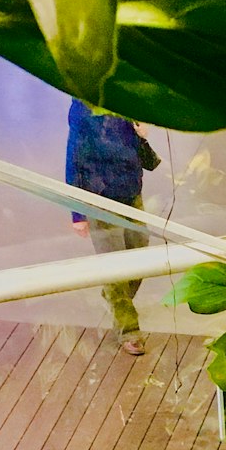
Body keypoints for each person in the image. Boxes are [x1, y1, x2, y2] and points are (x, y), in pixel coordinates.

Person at [66, 101, 160, 356]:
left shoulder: (124, 101)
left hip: (131, 193)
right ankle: (129, 331)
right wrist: (78, 212)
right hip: (100, 199)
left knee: (140, 254)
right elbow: (73, 160)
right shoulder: (83, 111)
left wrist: (141, 134)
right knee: (115, 266)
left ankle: (115, 295)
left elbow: (143, 155)